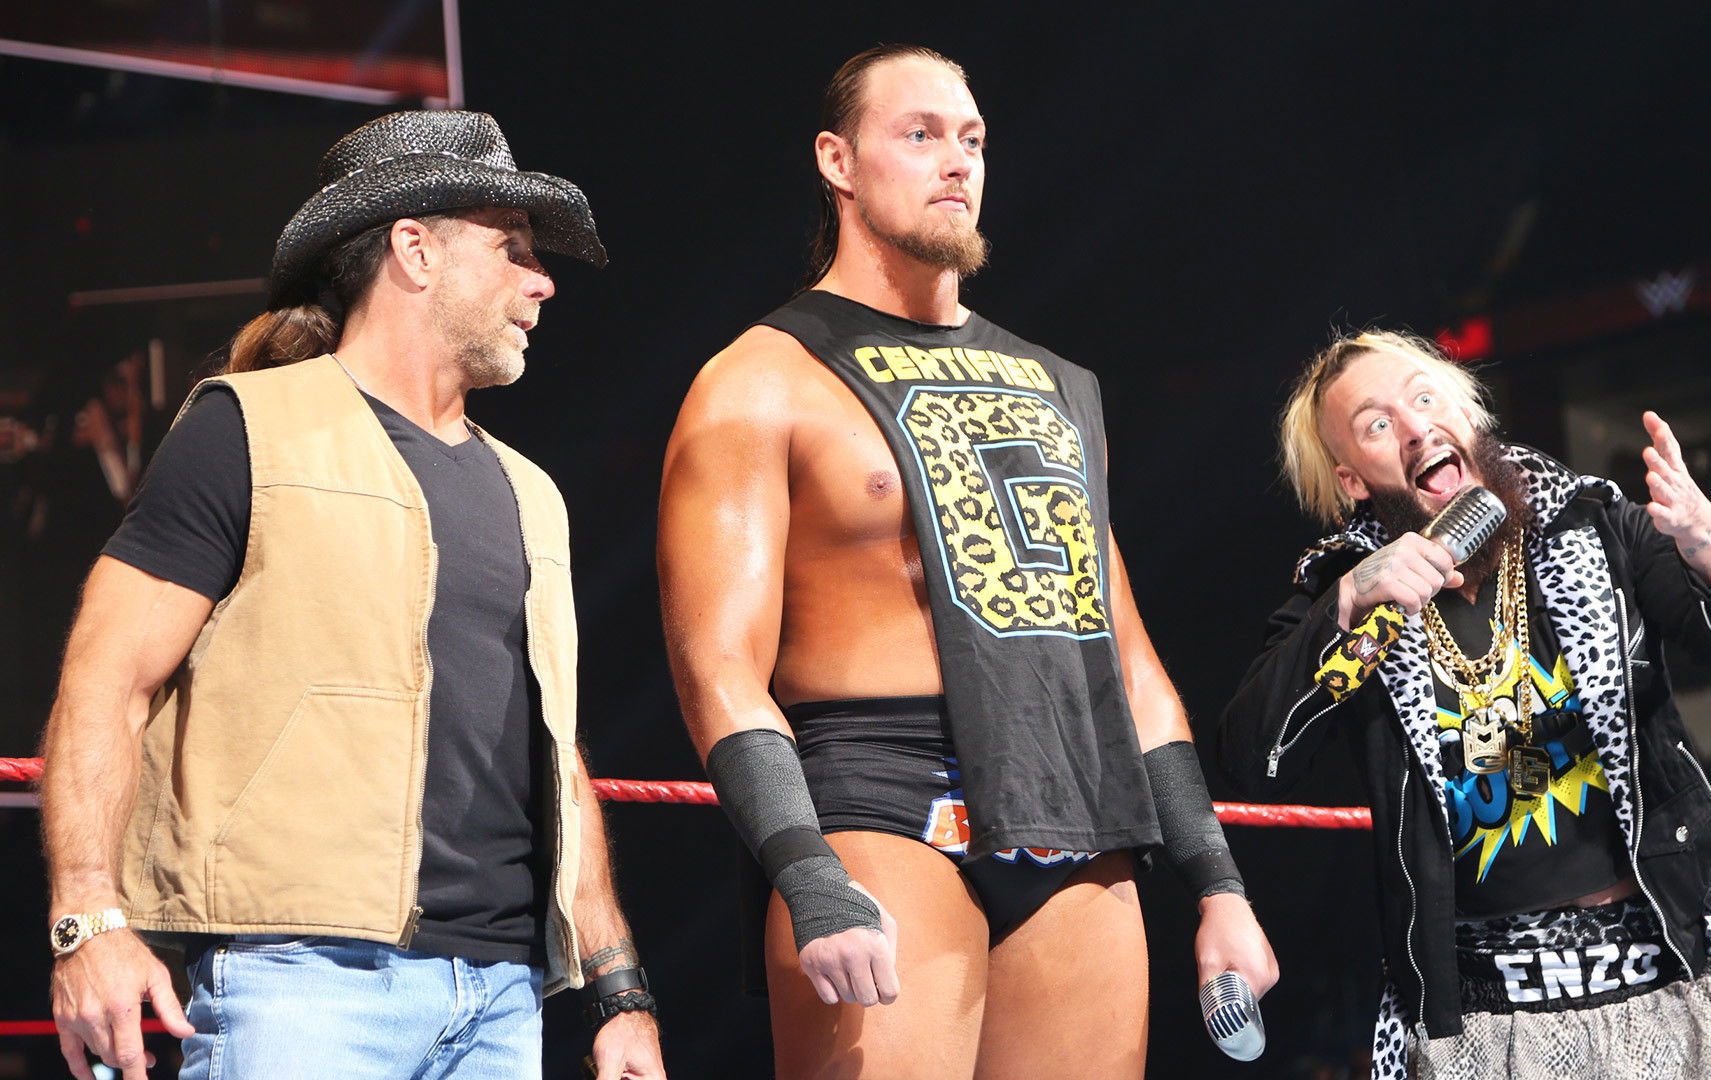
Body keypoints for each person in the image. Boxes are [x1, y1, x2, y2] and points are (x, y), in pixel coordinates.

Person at [659, 44, 1276, 1078]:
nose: (957, 161)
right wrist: (805, 869)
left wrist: (1218, 885)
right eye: (920, 134)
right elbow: (716, 665)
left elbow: (1127, 662)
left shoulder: (1057, 386)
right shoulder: (762, 380)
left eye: (973, 139)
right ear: (838, 161)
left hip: (1071, 801)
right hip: (878, 804)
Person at [38, 111, 665, 1080]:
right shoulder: (247, 429)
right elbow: (105, 680)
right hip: (301, 980)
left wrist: (619, 989)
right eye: (514, 248)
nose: (543, 281)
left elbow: (556, 758)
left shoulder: (532, 494)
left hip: (501, 998)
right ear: (415, 250)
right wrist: (87, 919)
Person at [1217, 330, 1711, 1079]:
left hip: (1663, 983)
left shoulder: (1594, 526)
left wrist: (1705, 537)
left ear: (1468, 414)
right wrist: (1349, 601)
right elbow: (1252, 762)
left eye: (1426, 399)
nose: (1416, 427)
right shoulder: (1348, 592)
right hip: (1485, 1025)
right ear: (1353, 480)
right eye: (1378, 424)